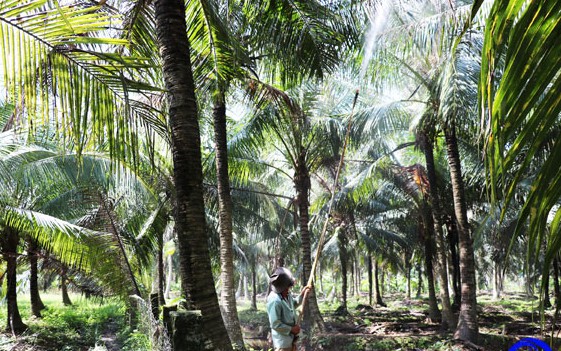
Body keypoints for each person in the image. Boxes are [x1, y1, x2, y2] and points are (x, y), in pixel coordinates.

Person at [266, 267, 312, 351]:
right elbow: (275, 324)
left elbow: (293, 304)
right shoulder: (274, 301)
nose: (289, 289)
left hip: (292, 340)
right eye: (287, 287)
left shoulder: (287, 294)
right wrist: (291, 329)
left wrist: (302, 295)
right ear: (281, 288)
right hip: (283, 343)